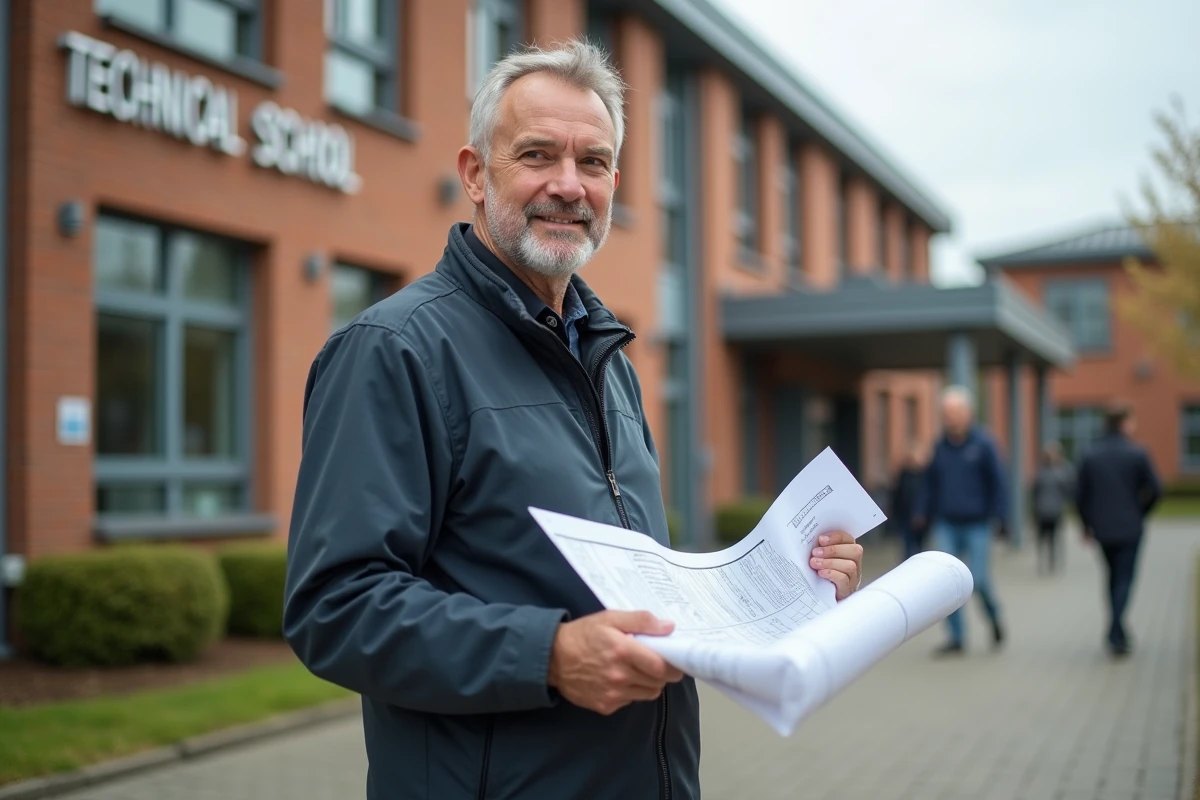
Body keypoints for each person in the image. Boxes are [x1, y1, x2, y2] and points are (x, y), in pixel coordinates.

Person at [281, 41, 864, 800]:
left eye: (593, 161)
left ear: (614, 184)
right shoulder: (393, 351)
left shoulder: (608, 357)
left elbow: (625, 577)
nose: (568, 184)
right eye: (536, 155)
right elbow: (336, 605)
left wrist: (784, 586)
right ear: (473, 174)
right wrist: (548, 655)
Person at [917, 386, 1006, 656]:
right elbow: (929, 484)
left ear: (968, 413)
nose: (950, 418)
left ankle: (993, 617)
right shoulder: (939, 446)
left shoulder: (984, 444)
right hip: (946, 523)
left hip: (977, 524)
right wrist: (920, 511)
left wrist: (1002, 518)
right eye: (946, 413)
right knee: (947, 583)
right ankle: (956, 638)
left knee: (978, 580)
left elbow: (998, 483)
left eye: (955, 413)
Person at [1075, 403, 1161, 657]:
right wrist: (1141, 513)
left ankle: (1117, 629)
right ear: (1125, 423)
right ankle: (1115, 631)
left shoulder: (1090, 454)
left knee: (1113, 577)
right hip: (1130, 527)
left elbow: (1080, 495)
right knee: (1124, 578)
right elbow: (1156, 490)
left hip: (1102, 529)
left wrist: (1086, 524)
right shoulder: (1137, 453)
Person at [1030, 441, 1075, 574]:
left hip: (1048, 510)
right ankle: (1049, 562)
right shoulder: (1060, 471)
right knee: (1049, 538)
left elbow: (1035, 491)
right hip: (1049, 510)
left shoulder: (1044, 472)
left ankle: (1048, 562)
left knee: (1048, 538)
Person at [890, 443, 928, 561]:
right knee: (907, 547)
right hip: (905, 516)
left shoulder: (925, 475)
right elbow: (897, 495)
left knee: (920, 547)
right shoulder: (904, 474)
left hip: (921, 518)